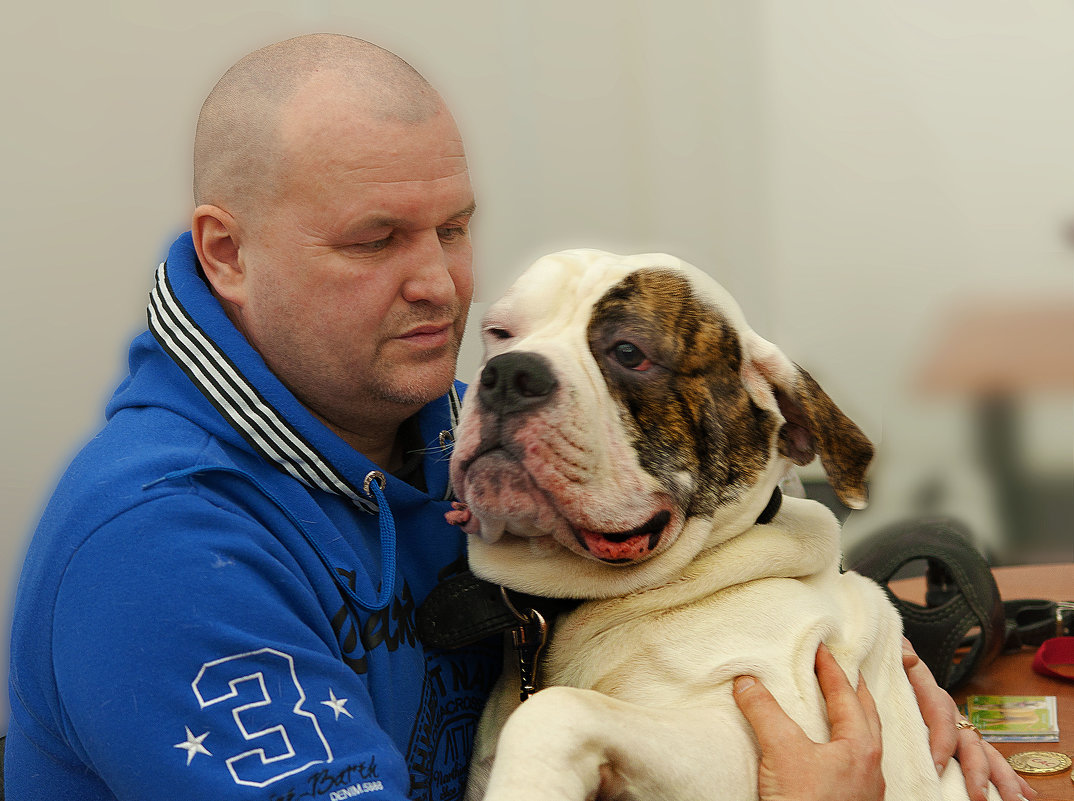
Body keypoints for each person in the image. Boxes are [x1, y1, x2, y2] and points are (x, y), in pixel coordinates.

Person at [4, 34, 1033, 801]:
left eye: (452, 229)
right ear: (226, 253)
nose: (436, 286)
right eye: (374, 241)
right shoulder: (163, 549)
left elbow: (700, 556)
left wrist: (876, 662)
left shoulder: (443, 432)